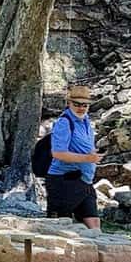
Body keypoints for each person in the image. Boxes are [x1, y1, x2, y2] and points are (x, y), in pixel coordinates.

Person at [46, 84, 101, 229]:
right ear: (69, 103)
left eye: (85, 105)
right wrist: (87, 159)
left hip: (85, 181)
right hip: (64, 181)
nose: (81, 108)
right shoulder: (64, 123)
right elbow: (58, 153)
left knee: (95, 227)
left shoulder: (87, 122)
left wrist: (92, 155)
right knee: (60, 228)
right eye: (77, 104)